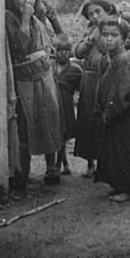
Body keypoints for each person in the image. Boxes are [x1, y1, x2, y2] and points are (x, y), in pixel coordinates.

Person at [5, 0, 63, 188]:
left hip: (44, 74)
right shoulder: (10, 17)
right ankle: (22, 173)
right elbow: (21, 45)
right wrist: (25, 19)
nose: (27, 1)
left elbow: (56, 38)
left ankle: (52, 167)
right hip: (24, 77)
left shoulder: (37, 18)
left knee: (50, 118)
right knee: (26, 122)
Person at [94, 17, 130, 203]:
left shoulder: (123, 59)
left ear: (123, 38)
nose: (109, 39)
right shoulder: (111, 58)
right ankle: (120, 184)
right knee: (116, 149)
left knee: (126, 150)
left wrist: (111, 112)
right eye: (105, 35)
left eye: (114, 35)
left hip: (126, 111)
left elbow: (121, 91)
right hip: (118, 111)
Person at [74, 0, 118, 178]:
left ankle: (105, 162)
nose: (94, 16)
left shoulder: (115, 27)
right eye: (90, 14)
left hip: (106, 77)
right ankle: (90, 162)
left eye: (97, 11)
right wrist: (88, 40)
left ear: (107, 10)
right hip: (89, 79)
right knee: (87, 119)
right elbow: (78, 52)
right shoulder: (90, 30)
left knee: (103, 118)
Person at [53, 33, 83, 176]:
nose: (63, 54)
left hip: (66, 106)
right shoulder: (49, 68)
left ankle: (60, 163)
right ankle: (63, 162)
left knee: (63, 135)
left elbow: (81, 89)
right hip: (52, 105)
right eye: (59, 50)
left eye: (66, 50)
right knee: (55, 134)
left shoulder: (75, 70)